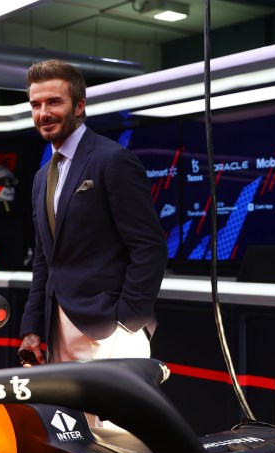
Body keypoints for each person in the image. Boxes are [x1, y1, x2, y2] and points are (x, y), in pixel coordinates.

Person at [18, 59, 167, 368]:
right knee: (69, 418)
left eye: (54, 102)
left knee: (114, 419)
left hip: (111, 331)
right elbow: (45, 260)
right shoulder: (42, 176)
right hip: (57, 330)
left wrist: (127, 322)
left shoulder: (113, 159)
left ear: (79, 106)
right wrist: (32, 328)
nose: (43, 113)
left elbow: (149, 247)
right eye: (36, 104)